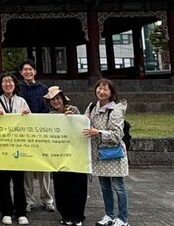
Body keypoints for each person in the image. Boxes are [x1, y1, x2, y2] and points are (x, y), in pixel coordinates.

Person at [83, 78, 130, 226]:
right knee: (104, 187)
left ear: (111, 93)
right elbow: (84, 122)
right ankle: (109, 215)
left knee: (118, 187)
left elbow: (117, 135)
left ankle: (123, 218)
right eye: (99, 88)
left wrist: (98, 132)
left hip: (114, 154)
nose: (101, 92)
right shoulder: (92, 107)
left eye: (105, 89)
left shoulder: (115, 110)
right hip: (99, 154)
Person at [0, 73, 30, 225]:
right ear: (1, 85)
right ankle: (6, 211)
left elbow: (30, 122)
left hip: (18, 146)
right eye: (5, 82)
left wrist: (27, 115)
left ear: (15, 84)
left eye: (10, 81)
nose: (8, 84)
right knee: (3, 181)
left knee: (19, 181)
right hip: (1, 147)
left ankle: (21, 211)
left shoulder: (21, 101)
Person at [44, 86, 87, 226]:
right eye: (52, 100)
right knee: (61, 186)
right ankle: (65, 214)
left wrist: (73, 118)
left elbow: (82, 126)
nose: (56, 101)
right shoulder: (49, 116)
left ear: (63, 99)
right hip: (58, 155)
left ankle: (78, 215)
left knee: (78, 186)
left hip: (76, 154)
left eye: (58, 98)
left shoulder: (73, 110)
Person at [17, 60, 54, 213]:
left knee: (44, 169)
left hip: (40, 132)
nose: (28, 72)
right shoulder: (17, 88)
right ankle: (28, 200)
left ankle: (47, 199)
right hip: (23, 133)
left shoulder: (43, 89)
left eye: (30, 69)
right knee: (27, 169)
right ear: (21, 72)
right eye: (25, 70)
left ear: (35, 72)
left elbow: (47, 110)